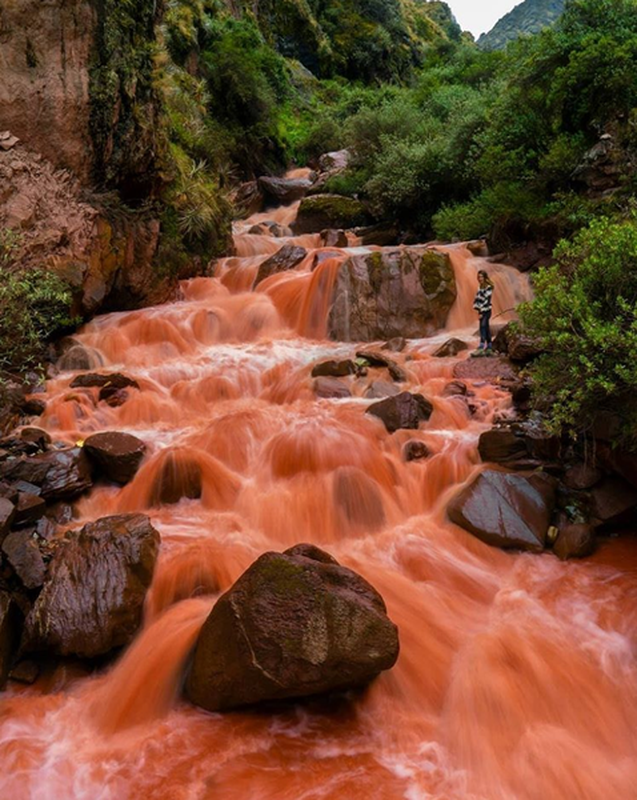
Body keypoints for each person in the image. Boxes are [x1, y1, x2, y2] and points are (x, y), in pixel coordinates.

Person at [473, 270, 494, 354]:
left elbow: (486, 300)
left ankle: (482, 344)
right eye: (478, 277)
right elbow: (477, 298)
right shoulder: (480, 287)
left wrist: (481, 312)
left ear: (485, 277)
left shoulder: (489, 287)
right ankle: (489, 344)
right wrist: (478, 309)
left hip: (487, 310)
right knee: (486, 327)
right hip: (481, 310)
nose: (479, 279)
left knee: (482, 326)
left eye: (481, 277)